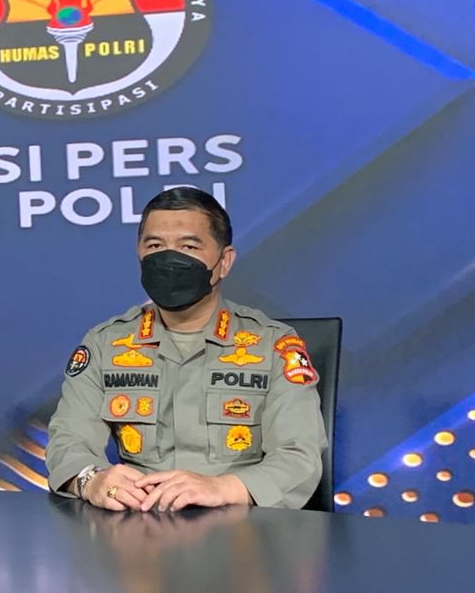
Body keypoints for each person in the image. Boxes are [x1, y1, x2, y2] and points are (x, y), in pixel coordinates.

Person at [46, 187, 325, 511]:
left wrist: (223, 488)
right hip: (138, 524)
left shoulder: (274, 345)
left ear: (224, 261)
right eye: (155, 246)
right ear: (139, 254)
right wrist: (91, 480)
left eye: (188, 246)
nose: (169, 259)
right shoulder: (106, 343)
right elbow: (68, 441)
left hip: (241, 526)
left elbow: (299, 455)